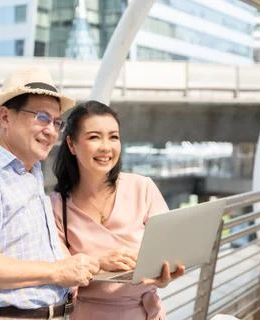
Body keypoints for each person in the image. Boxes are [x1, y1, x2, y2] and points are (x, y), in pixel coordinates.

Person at [0, 66, 99, 320]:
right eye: (42, 117)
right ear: (5, 117)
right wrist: (57, 272)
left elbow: (33, 240)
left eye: (57, 122)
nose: (51, 131)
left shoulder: (29, 170)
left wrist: (71, 267)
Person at [50, 100, 185, 320]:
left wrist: (165, 276)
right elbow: (61, 273)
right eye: (94, 137)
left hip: (144, 313)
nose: (106, 147)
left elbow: (170, 252)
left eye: (113, 137)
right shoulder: (57, 205)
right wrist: (100, 262)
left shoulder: (143, 188)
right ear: (71, 145)